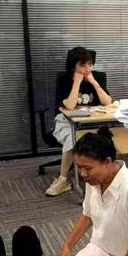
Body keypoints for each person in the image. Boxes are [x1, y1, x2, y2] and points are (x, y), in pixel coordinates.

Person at [45, 47, 112, 197]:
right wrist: (77, 83)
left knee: (112, 136)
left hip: (92, 121)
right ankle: (63, 180)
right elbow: (69, 106)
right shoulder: (64, 79)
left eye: (90, 64)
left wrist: (94, 83)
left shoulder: (97, 77)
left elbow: (108, 102)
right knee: (72, 137)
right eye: (82, 65)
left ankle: (105, 173)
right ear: (73, 66)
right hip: (66, 121)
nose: (87, 69)